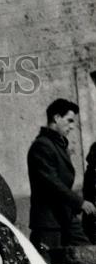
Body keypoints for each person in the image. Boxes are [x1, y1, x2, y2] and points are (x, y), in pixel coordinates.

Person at [27, 99, 96, 254]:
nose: (72, 126)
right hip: (49, 224)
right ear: (56, 118)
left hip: (67, 218)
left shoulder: (58, 145)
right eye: (69, 120)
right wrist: (80, 202)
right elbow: (51, 182)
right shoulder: (42, 146)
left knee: (89, 255)